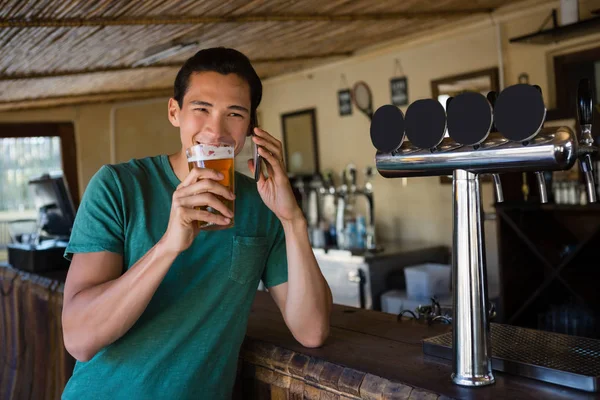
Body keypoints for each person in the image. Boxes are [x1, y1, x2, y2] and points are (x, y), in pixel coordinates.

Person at [61, 47, 332, 400]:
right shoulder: (118, 186)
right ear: (175, 112)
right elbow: (79, 340)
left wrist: (291, 219)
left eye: (234, 114)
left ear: (250, 127)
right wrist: (168, 246)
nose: (215, 130)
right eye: (201, 109)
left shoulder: (264, 204)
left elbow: (312, 331)